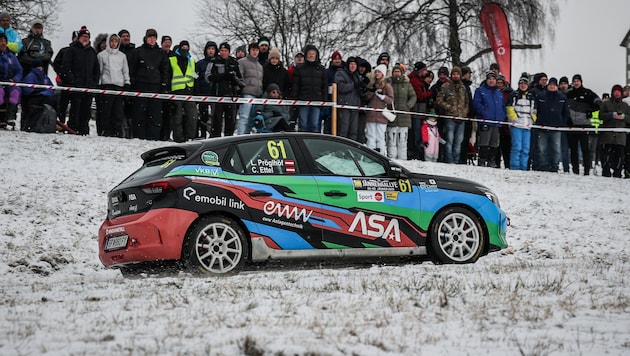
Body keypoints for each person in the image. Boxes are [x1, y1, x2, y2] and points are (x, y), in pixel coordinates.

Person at [128, 28, 170, 140]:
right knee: (139, 112)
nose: (152, 40)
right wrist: (133, 82)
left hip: (155, 86)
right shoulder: (138, 51)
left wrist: (164, 84)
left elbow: (165, 69)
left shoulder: (160, 53)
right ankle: (139, 135)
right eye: (150, 37)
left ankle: (154, 136)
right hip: (141, 85)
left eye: (154, 38)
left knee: (155, 113)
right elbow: (132, 67)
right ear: (146, 38)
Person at [60, 26, 99, 135]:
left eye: (87, 37)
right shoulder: (72, 50)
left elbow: (96, 69)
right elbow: (65, 67)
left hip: (88, 86)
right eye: (83, 36)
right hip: (75, 86)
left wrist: (93, 82)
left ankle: (84, 130)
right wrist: (72, 80)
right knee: (75, 109)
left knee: (86, 110)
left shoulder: (92, 52)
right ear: (79, 37)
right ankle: (73, 128)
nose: (85, 39)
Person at [566, 74, 602, 175]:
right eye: (574, 81)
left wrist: (591, 110)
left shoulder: (588, 93)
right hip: (572, 126)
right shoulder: (569, 94)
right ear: (572, 83)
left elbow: (599, 102)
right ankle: (575, 170)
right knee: (573, 150)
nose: (576, 83)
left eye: (578, 81)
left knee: (585, 149)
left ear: (581, 82)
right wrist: (567, 119)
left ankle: (586, 170)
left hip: (584, 125)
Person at [205, 42, 242, 137]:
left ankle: (229, 139)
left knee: (231, 121)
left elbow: (240, 80)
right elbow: (208, 77)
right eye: (222, 50)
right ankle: (215, 139)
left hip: (231, 96)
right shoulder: (213, 62)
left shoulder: (234, 63)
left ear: (229, 52)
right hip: (217, 95)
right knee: (216, 121)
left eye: (225, 51)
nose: (223, 53)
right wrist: (222, 76)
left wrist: (234, 80)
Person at [97, 33, 130, 137]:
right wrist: (99, 84)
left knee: (118, 111)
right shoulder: (101, 55)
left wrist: (127, 82)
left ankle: (117, 131)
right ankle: (105, 130)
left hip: (119, 86)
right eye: (112, 41)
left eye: (116, 41)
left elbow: (125, 71)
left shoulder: (122, 56)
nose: (114, 43)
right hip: (107, 85)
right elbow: (100, 71)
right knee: (106, 111)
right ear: (108, 42)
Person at [534, 77, 569, 172]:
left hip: (556, 128)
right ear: (548, 86)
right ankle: (543, 166)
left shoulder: (562, 97)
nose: (552, 87)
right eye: (550, 85)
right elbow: (536, 111)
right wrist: (538, 121)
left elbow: (566, 112)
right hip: (542, 127)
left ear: (557, 86)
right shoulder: (541, 96)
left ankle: (554, 166)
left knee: (556, 150)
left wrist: (562, 122)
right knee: (542, 149)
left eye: (554, 85)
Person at [436, 66, 469, 164]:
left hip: (461, 117)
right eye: (454, 74)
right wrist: (449, 107)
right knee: (449, 140)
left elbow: (467, 101)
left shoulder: (463, 87)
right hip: (450, 117)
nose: (455, 76)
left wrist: (464, 112)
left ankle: (456, 160)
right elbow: (439, 100)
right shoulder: (446, 86)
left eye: (457, 74)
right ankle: (449, 160)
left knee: (458, 141)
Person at [291, 45, 327, 132]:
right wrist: (295, 100)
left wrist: (324, 100)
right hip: (303, 100)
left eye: (313, 53)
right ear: (306, 55)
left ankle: (313, 144)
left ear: (316, 55)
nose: (311, 55)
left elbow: (324, 86)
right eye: (309, 53)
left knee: (315, 124)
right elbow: (295, 86)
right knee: (303, 124)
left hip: (317, 100)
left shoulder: (321, 69)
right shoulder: (299, 69)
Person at [473, 71, 506, 167]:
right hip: (485, 121)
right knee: (484, 142)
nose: (491, 81)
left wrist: (502, 116)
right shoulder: (480, 90)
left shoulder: (499, 93)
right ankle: (482, 160)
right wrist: (484, 113)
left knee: (494, 143)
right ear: (486, 80)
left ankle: (491, 161)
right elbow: (477, 104)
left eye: (493, 79)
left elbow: (502, 106)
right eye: (490, 79)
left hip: (497, 122)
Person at [169, 40, 198, 142]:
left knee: (192, 117)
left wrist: (196, 93)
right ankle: (178, 138)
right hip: (176, 92)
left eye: (187, 48)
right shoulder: (172, 59)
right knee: (177, 118)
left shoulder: (192, 62)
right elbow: (168, 76)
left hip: (189, 92)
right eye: (183, 47)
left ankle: (189, 137)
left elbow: (196, 76)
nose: (185, 49)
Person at [598, 84, 630, 177]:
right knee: (606, 157)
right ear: (612, 92)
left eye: (619, 91)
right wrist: (611, 115)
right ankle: (606, 173)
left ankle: (618, 173)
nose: (617, 93)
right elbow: (601, 116)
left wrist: (624, 117)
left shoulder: (625, 106)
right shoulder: (606, 104)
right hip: (607, 137)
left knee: (619, 157)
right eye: (615, 91)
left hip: (620, 137)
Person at [505, 75, 537, 170]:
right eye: (521, 84)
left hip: (527, 126)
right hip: (517, 125)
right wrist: (515, 119)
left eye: (525, 84)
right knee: (517, 147)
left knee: (526, 149)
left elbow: (534, 110)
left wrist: (532, 120)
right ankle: (515, 167)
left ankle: (523, 167)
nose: (523, 85)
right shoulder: (514, 95)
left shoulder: (531, 96)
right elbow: (509, 108)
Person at [387, 64, 416, 160]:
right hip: (392, 115)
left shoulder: (407, 84)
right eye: (395, 72)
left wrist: (408, 106)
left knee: (403, 139)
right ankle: (392, 157)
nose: (397, 73)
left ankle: (402, 158)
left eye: (398, 71)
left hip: (404, 116)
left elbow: (413, 96)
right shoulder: (389, 84)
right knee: (392, 139)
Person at [364, 64, 393, 153]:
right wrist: (372, 92)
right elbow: (366, 98)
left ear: (383, 74)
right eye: (376, 72)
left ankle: (381, 154)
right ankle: (370, 154)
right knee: (370, 136)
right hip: (371, 115)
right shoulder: (371, 84)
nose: (377, 74)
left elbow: (390, 100)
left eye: (379, 72)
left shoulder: (387, 86)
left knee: (380, 137)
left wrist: (382, 97)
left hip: (382, 116)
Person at [237, 42, 263, 135]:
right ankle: (240, 136)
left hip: (257, 95)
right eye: (253, 50)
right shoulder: (242, 62)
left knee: (251, 119)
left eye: (256, 50)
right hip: (247, 93)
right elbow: (240, 77)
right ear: (249, 51)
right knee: (244, 117)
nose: (255, 52)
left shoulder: (260, 66)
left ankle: (246, 136)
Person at [21, 59, 55, 131]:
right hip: (33, 98)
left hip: (44, 97)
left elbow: (51, 87)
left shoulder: (45, 77)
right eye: (38, 67)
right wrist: (42, 92)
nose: (40, 68)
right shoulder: (30, 76)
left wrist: (45, 93)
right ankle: (31, 126)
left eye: (41, 66)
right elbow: (27, 90)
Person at [408, 61, 432, 160]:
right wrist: (431, 93)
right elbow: (420, 96)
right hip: (417, 112)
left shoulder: (419, 81)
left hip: (420, 111)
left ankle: (418, 154)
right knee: (417, 134)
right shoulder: (415, 82)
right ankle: (416, 154)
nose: (426, 72)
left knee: (419, 133)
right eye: (424, 70)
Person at [334, 56, 361, 140]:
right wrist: (353, 85)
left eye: (355, 64)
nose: (353, 66)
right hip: (344, 106)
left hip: (355, 106)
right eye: (351, 64)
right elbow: (340, 87)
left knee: (353, 131)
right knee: (343, 130)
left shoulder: (357, 76)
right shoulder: (340, 73)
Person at [195, 41, 217, 139]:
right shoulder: (200, 64)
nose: (211, 51)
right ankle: (203, 134)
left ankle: (213, 134)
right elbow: (196, 78)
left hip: (215, 94)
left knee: (215, 116)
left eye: (213, 49)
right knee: (203, 116)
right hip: (203, 93)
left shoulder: (218, 62)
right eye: (209, 49)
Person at [0, 32, 23, 128]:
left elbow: (19, 70)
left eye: (4, 41)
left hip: (9, 82)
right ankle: (1, 118)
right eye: (0, 41)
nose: (3, 43)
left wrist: (14, 79)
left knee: (16, 91)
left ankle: (10, 118)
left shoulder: (11, 56)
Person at [558, 76, 571, 173]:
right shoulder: (557, 95)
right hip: (559, 124)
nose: (563, 86)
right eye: (561, 84)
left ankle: (567, 167)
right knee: (558, 148)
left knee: (566, 148)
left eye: (564, 84)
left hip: (570, 125)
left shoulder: (571, 94)